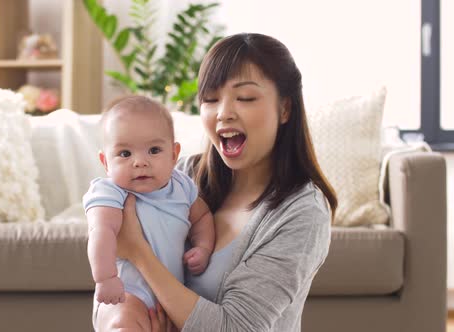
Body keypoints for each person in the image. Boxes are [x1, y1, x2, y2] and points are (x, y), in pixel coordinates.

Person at [98, 33, 338, 332]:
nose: (223, 113)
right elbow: (113, 291)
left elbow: (236, 328)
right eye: (210, 99)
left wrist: (139, 252)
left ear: (285, 108)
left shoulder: (302, 213)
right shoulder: (181, 175)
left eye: (245, 98)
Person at [83, 95, 216, 331]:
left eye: (154, 150)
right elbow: (101, 232)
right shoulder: (110, 192)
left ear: (174, 155)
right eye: (125, 154)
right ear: (105, 162)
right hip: (126, 291)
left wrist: (203, 247)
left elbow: (202, 218)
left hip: (170, 292)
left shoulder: (182, 186)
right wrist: (105, 278)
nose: (140, 162)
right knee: (125, 323)